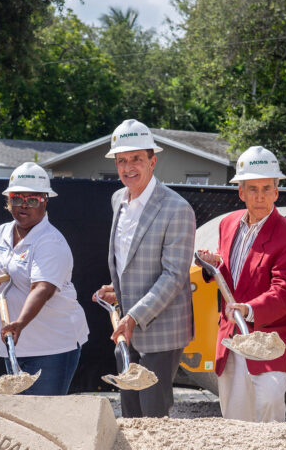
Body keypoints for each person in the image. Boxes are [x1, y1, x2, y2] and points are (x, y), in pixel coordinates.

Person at [93, 119, 196, 418]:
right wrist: (118, 290)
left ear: (153, 161)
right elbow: (130, 263)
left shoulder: (176, 209)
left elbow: (174, 276)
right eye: (121, 160)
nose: (128, 167)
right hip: (126, 329)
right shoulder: (118, 200)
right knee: (131, 413)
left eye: (136, 159)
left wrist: (134, 316)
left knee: (154, 416)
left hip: (160, 332)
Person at [197, 146, 286, 422]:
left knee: (268, 407)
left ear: (276, 192)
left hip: (270, 341)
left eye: (266, 189)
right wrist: (214, 266)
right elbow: (234, 275)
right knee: (235, 419)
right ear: (241, 192)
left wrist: (248, 309)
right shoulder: (228, 224)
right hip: (232, 337)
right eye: (253, 189)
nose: (260, 197)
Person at [0, 162, 88, 395]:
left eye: (32, 200)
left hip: (52, 347)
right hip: (15, 344)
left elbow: (42, 289)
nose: (24, 206)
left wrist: (19, 323)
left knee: (44, 417)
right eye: (17, 199)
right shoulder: (1, 233)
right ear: (8, 200)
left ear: (45, 201)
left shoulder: (50, 242)